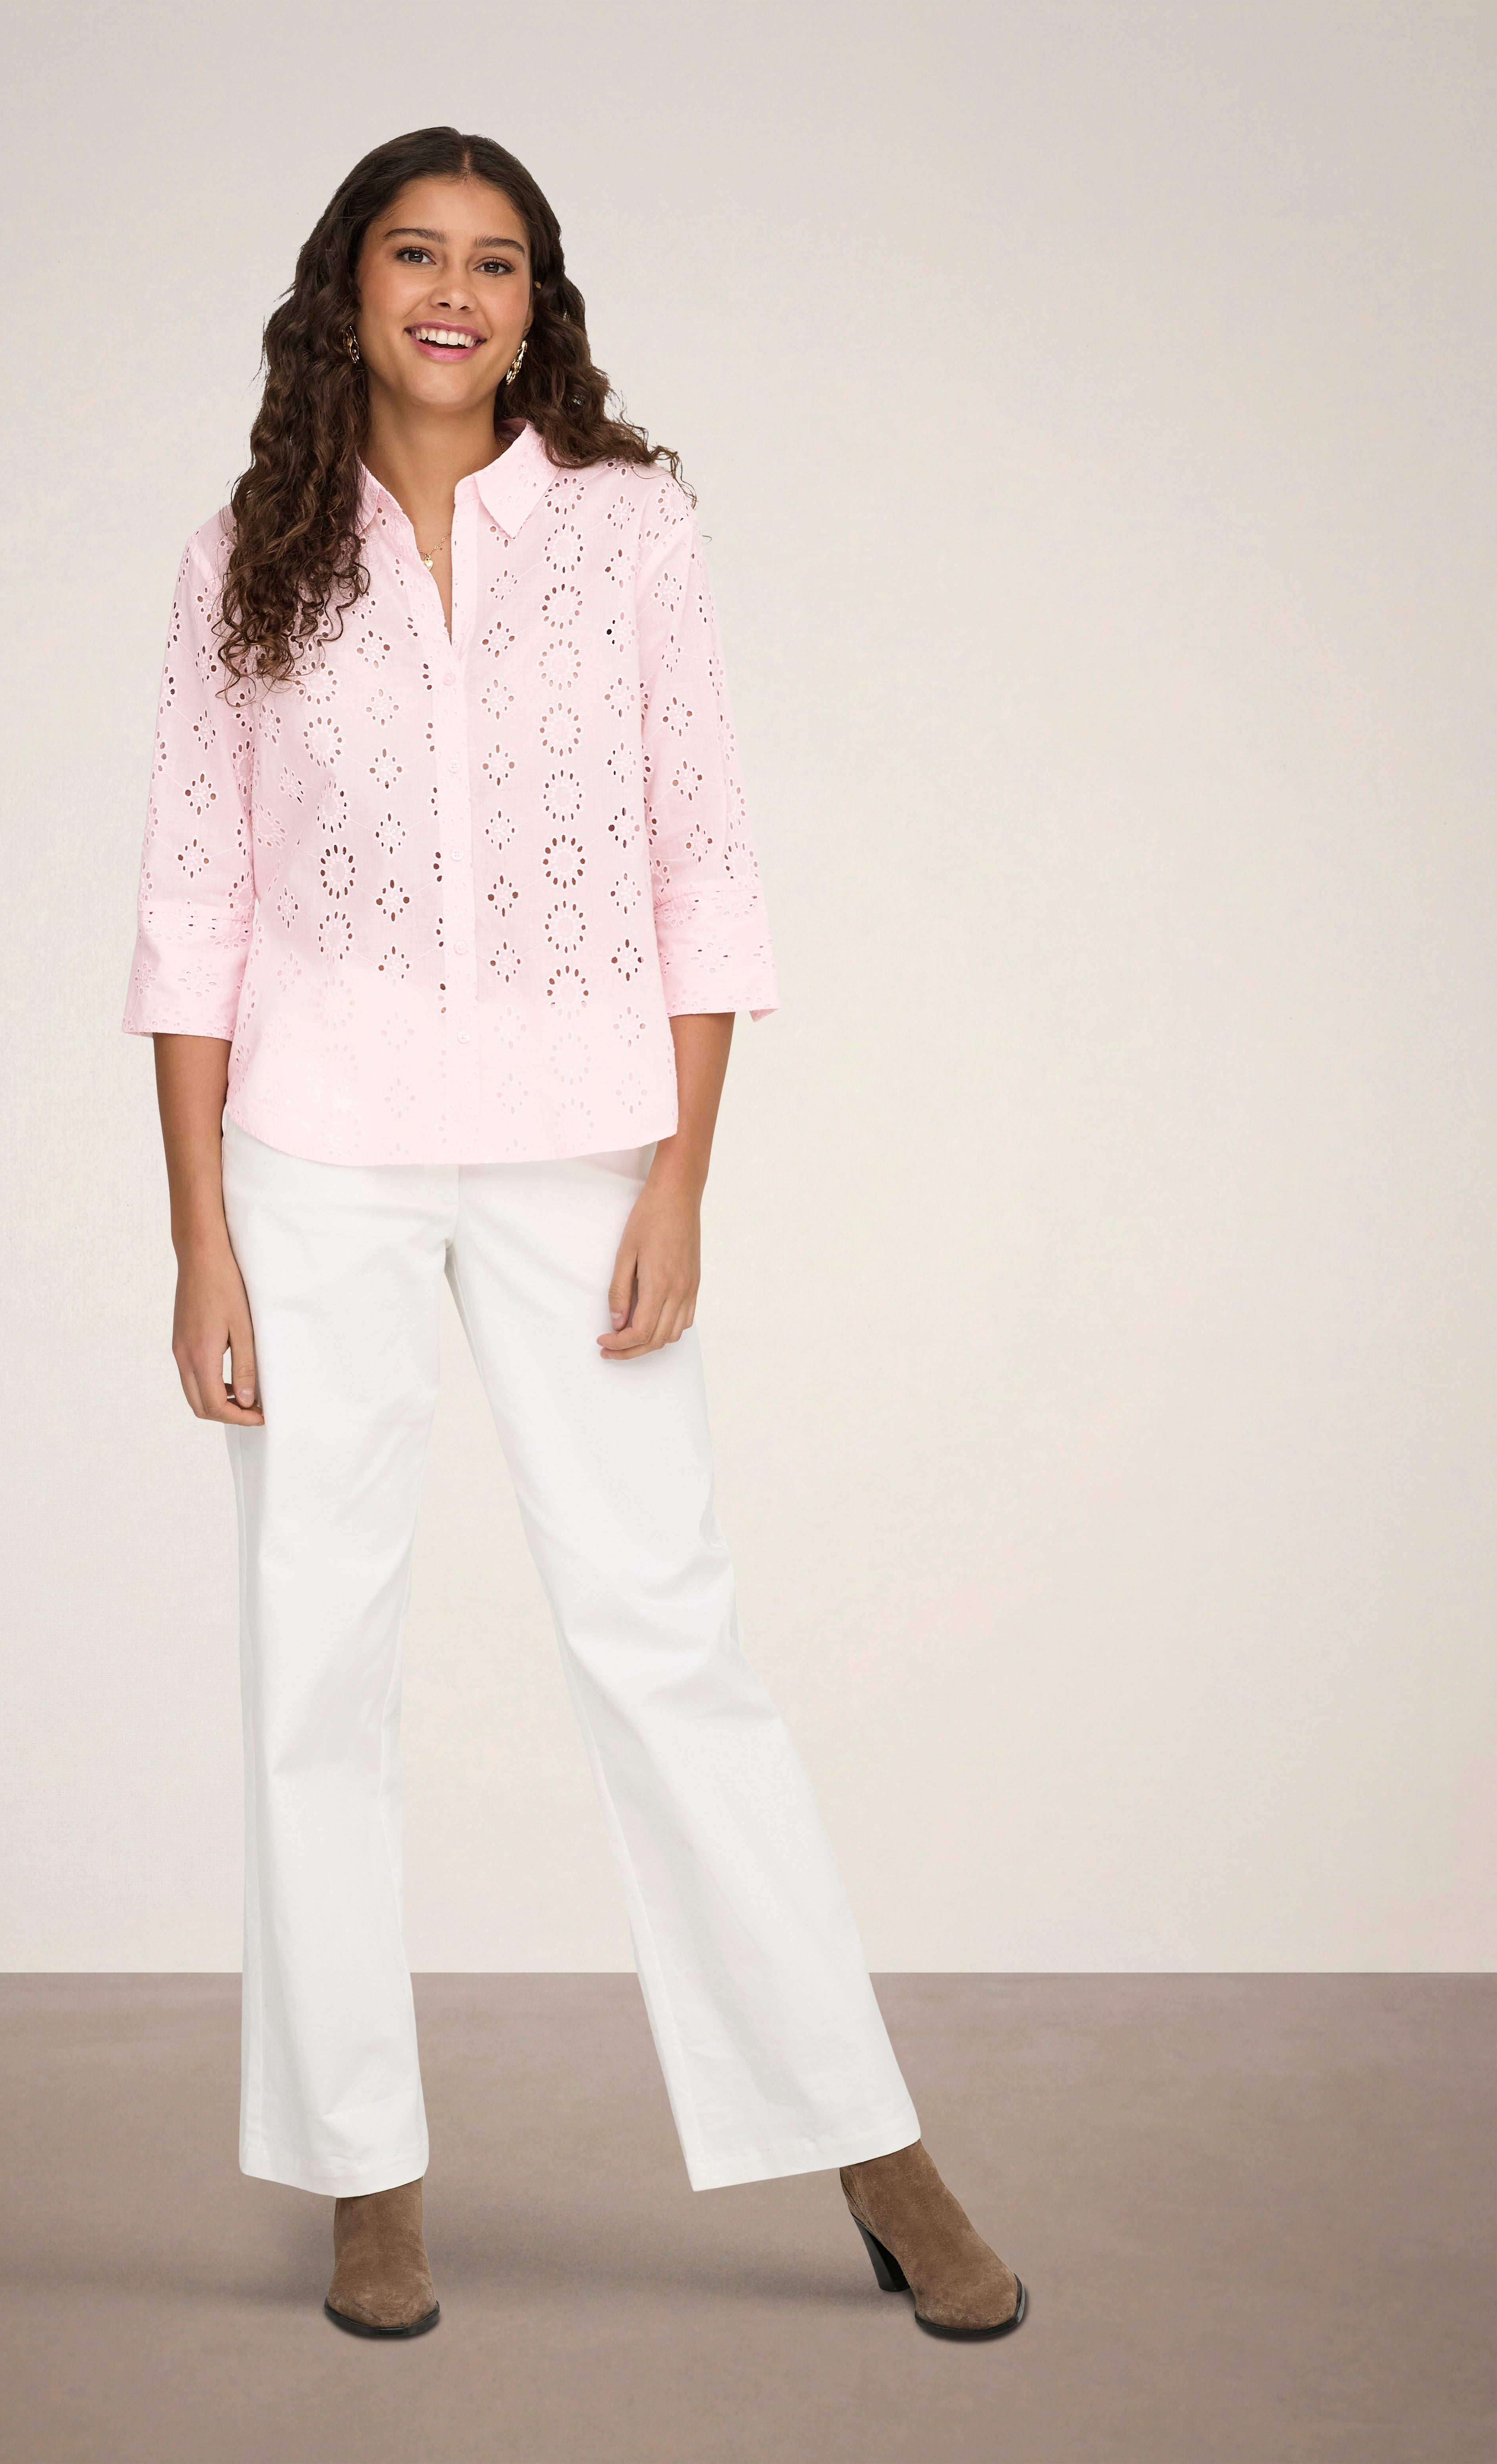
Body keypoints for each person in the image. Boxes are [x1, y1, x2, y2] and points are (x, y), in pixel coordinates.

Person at [122, 125, 1025, 2344]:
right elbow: (192, 908)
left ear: (540, 306)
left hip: (582, 1149)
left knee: (663, 1633)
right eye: (416, 254)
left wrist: (683, 1174)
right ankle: (367, 2170)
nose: (456, 292)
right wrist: (201, 1239)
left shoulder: (631, 531)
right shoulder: (249, 554)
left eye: (498, 262)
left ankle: (872, 2144)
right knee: (313, 1658)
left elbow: (702, 857)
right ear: (348, 290)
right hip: (315, 1152)